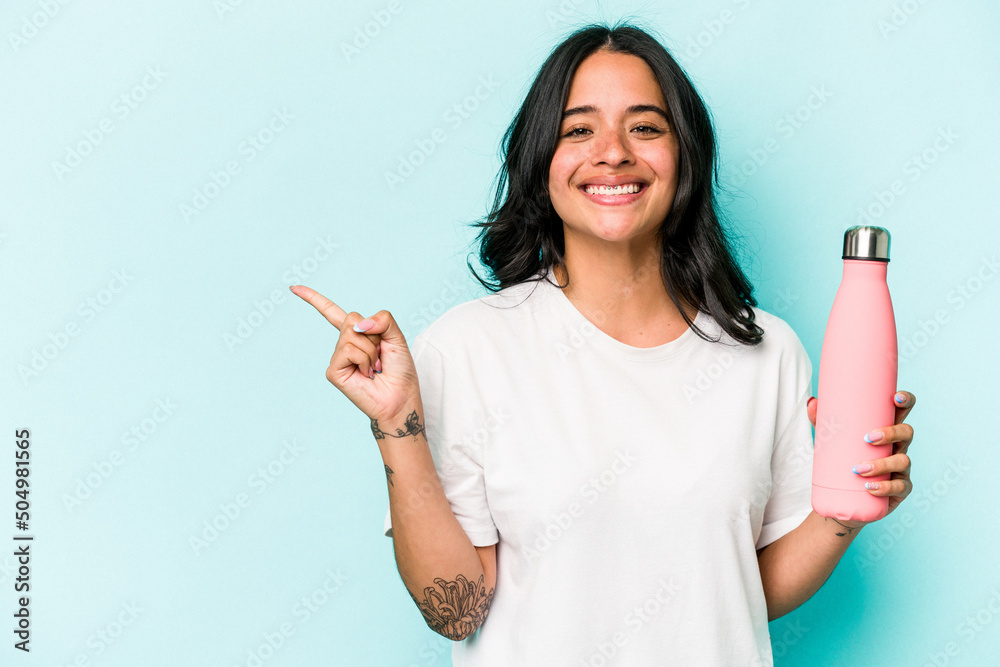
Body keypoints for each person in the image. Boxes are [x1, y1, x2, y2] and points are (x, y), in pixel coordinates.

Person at [290, 21, 917, 666]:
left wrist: (848, 508)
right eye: (578, 129)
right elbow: (456, 610)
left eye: (645, 127)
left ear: (685, 157)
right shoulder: (469, 346)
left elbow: (739, 592)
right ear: (540, 164)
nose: (612, 151)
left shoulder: (767, 350)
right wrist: (399, 424)